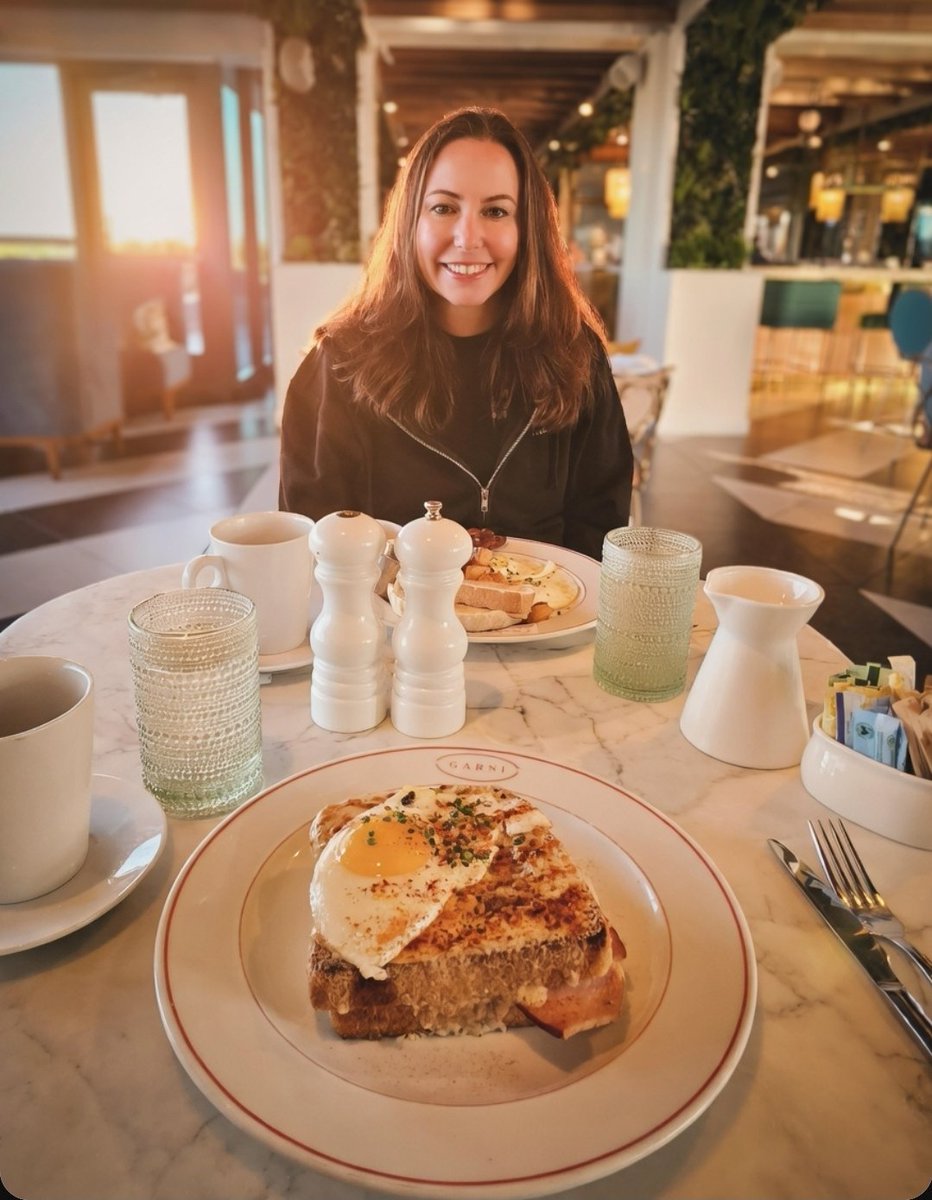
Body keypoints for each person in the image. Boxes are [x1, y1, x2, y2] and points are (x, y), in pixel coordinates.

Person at [279, 106, 633, 560]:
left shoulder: (576, 355)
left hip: (551, 620)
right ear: (411, 222)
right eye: (444, 207)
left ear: (529, 229)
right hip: (390, 625)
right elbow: (315, 544)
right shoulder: (340, 362)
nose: (468, 237)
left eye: (496, 211)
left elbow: (599, 531)